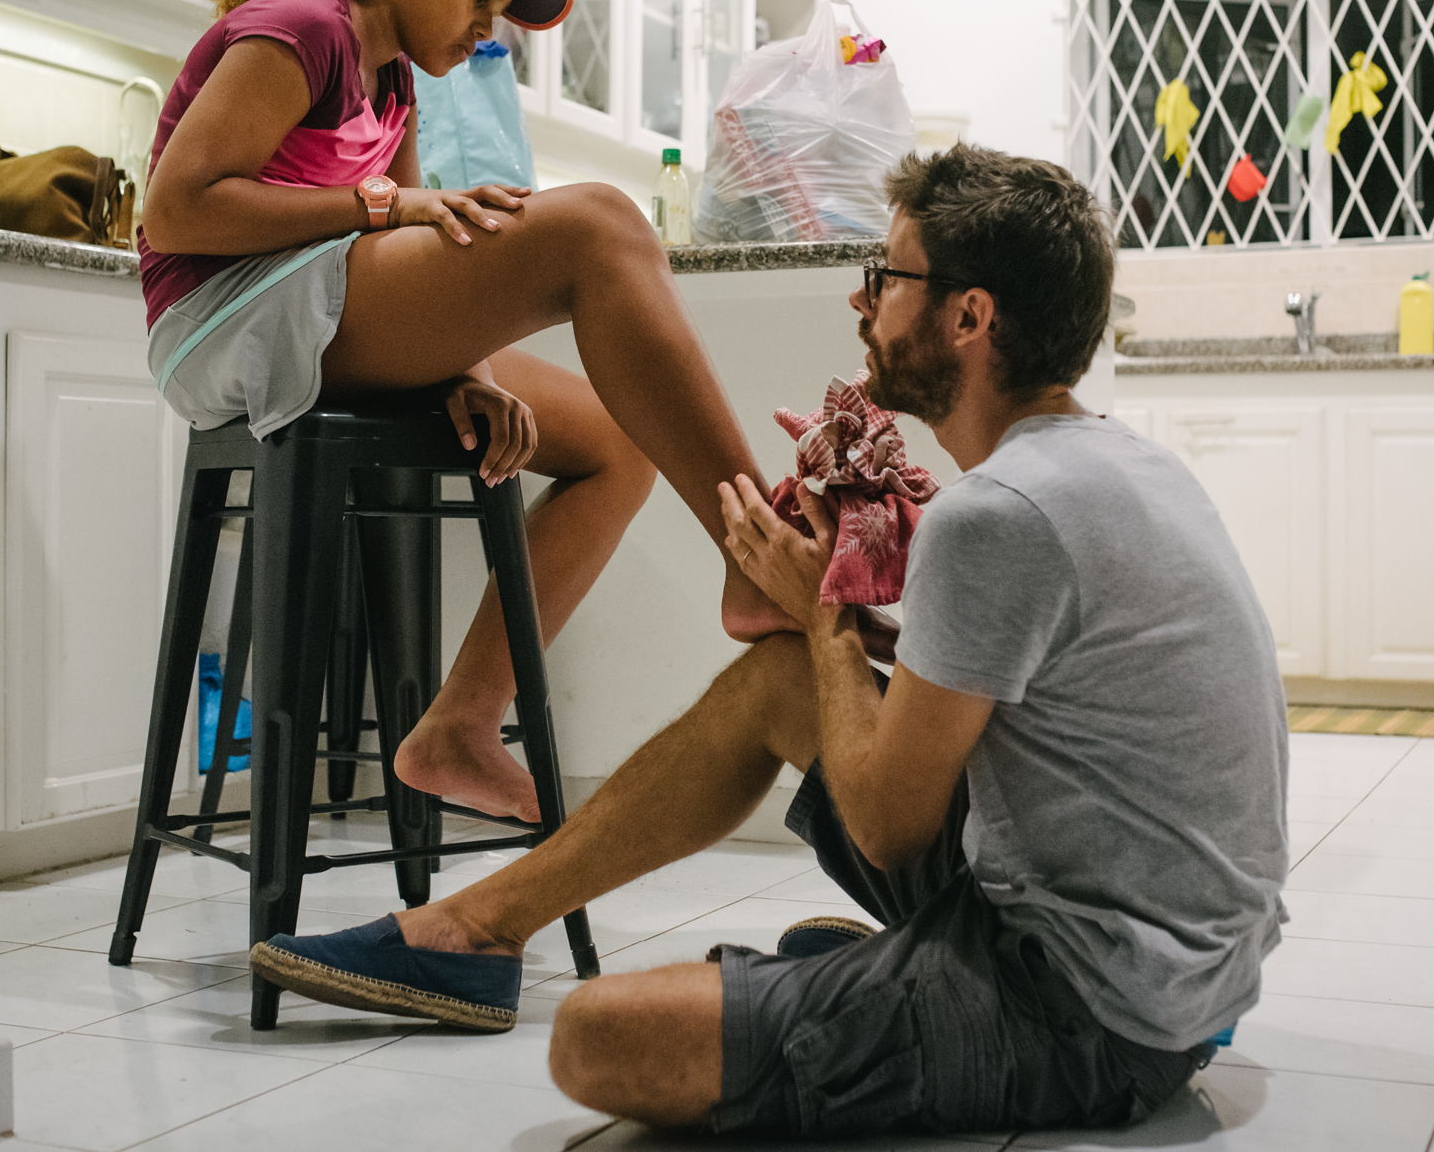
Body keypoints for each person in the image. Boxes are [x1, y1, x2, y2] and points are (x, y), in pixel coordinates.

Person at [247, 145, 1292, 1138]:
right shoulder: (1106, 467)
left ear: (969, 316)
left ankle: (901, 982)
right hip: (1178, 973)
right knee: (781, 681)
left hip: (1095, 1011)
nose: (860, 300)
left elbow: (885, 828)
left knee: (599, 1041)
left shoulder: (1002, 518)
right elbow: (807, 655)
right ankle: (473, 932)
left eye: (886, 275)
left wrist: (828, 613)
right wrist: (836, 587)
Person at [137, 0, 799, 826]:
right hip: (218, 316)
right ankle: (758, 545)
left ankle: (461, 726)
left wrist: (467, 370)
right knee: (604, 223)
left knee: (615, 448)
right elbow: (176, 210)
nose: (489, 30)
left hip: (316, 307)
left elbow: (411, 246)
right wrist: (382, 201)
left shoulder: (393, 75)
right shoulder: (307, 26)